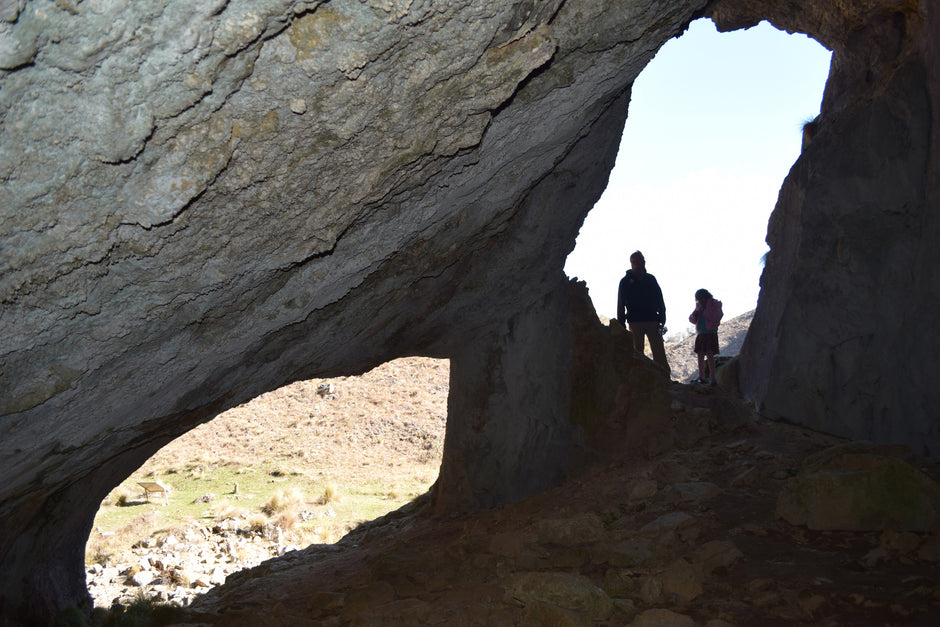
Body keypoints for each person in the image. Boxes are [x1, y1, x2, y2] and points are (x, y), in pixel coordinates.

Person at [617, 251, 670, 375]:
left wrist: (662, 317)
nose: (642, 263)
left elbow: (659, 298)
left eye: (642, 260)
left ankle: (664, 377)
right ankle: (638, 377)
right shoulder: (625, 281)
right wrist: (621, 323)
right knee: (638, 352)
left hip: (652, 319)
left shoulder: (650, 279)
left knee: (658, 351)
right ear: (633, 263)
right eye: (639, 260)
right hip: (635, 321)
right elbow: (621, 303)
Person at [688, 288, 723, 386]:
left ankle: (712, 377)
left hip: (710, 333)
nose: (700, 301)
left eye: (701, 299)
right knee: (700, 355)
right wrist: (695, 314)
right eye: (698, 299)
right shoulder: (699, 306)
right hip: (701, 333)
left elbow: (715, 317)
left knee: (710, 354)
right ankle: (701, 376)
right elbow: (692, 320)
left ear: (706, 297)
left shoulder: (714, 304)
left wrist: (703, 310)